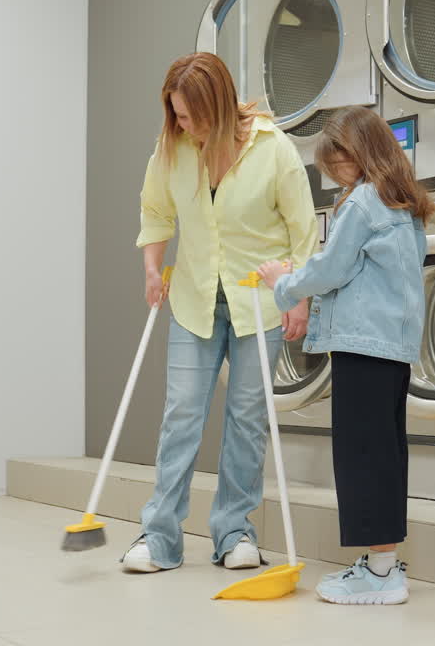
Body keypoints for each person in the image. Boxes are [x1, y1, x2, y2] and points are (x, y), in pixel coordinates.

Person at [125, 52, 317, 573]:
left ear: (216, 108)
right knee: (182, 415)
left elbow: (303, 228)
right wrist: (151, 267)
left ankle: (234, 532)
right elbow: (155, 210)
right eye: (176, 115)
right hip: (194, 298)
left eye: (188, 115)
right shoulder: (172, 148)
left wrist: (300, 296)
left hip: (259, 302)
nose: (180, 124)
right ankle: (159, 537)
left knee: (247, 418)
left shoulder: (273, 149)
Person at [258, 105, 435, 605]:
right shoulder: (403, 202)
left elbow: (332, 269)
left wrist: (284, 283)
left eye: (336, 162)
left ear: (359, 153)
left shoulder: (361, 204)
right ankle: (382, 561)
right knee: (384, 453)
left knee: (361, 455)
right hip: (393, 348)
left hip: (362, 344)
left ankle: (380, 575)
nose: (333, 172)